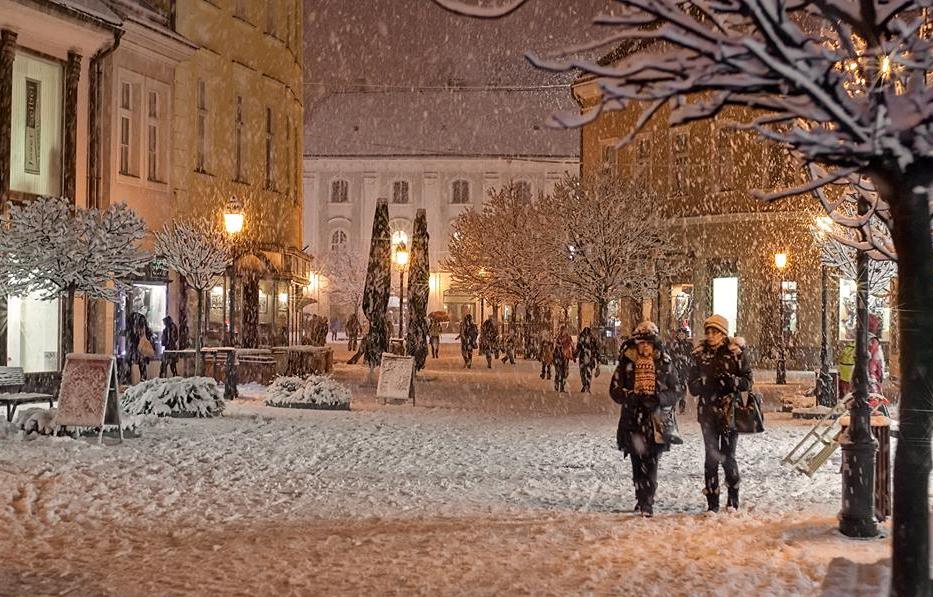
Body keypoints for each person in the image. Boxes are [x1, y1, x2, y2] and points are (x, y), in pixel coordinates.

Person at [609, 321, 681, 517]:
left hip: (655, 421)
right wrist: (631, 396)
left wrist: (659, 398)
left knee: (651, 460)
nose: (645, 347)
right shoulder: (627, 362)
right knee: (636, 459)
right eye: (641, 343)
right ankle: (641, 496)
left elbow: (676, 390)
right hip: (633, 419)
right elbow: (614, 390)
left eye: (648, 343)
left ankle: (647, 500)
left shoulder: (664, 363)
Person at [688, 314, 753, 512]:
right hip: (707, 411)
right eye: (707, 331)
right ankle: (712, 502)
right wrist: (705, 383)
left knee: (728, 455)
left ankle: (733, 499)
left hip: (728, 411)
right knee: (711, 456)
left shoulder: (735, 353)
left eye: (714, 331)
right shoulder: (699, 354)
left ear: (723, 333)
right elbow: (692, 385)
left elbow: (747, 381)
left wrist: (731, 381)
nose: (710, 335)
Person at [669, 326, 694, 414]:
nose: (681, 336)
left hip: (684, 370)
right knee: (674, 388)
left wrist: (686, 361)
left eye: (682, 334)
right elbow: (671, 356)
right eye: (680, 334)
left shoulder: (689, 345)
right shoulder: (673, 344)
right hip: (675, 369)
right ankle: (673, 406)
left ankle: (681, 407)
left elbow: (691, 357)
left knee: (683, 389)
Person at [126, 312, 155, 382]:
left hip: (138, 350)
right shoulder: (143, 328)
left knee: (136, 364)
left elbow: (132, 338)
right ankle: (142, 380)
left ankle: (134, 380)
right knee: (141, 366)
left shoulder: (136, 329)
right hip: (139, 351)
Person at [575, 326, 600, 393]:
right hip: (590, 358)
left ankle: (585, 385)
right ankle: (587, 385)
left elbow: (578, 347)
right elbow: (596, 349)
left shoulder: (582, 338)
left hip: (583, 358)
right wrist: (597, 358)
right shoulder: (592, 338)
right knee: (588, 373)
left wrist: (575, 355)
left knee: (583, 373)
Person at [553, 325, 575, 392]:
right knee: (558, 372)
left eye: (564, 330)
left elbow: (572, 345)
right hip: (559, 356)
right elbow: (556, 346)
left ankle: (561, 386)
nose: (563, 331)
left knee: (564, 372)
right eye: (562, 330)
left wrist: (572, 354)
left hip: (565, 357)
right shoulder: (558, 337)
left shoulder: (568, 337)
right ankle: (558, 385)